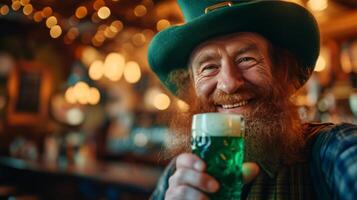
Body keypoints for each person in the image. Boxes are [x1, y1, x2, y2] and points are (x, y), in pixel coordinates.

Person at [147, 0, 357, 199]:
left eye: (246, 59)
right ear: (191, 85)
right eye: (209, 67)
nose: (229, 84)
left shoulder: (334, 151)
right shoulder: (177, 177)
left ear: (280, 70)